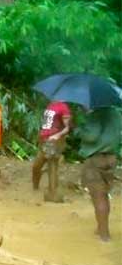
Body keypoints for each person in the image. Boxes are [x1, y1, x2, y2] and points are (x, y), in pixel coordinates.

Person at [77, 106, 121, 242]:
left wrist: (79, 130)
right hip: (111, 158)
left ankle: (104, 234)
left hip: (95, 159)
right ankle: (101, 227)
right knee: (104, 195)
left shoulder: (96, 115)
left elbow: (91, 136)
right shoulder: (115, 113)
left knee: (98, 196)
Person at [31, 100, 72, 202]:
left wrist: (57, 135)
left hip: (54, 141)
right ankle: (36, 186)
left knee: (52, 165)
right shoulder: (50, 105)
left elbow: (67, 128)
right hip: (44, 140)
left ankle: (53, 194)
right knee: (37, 165)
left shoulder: (63, 107)